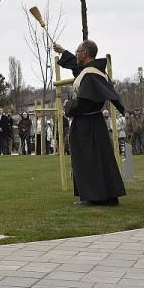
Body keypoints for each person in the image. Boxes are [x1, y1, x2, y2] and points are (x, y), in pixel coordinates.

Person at [54, 40, 125, 206]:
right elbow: (76, 67)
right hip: (94, 122)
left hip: (87, 123)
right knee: (98, 159)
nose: (76, 54)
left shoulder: (90, 74)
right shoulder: (93, 70)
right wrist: (64, 51)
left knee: (89, 160)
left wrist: (68, 106)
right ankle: (104, 196)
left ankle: (96, 196)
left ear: (85, 54)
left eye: (77, 51)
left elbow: (84, 103)